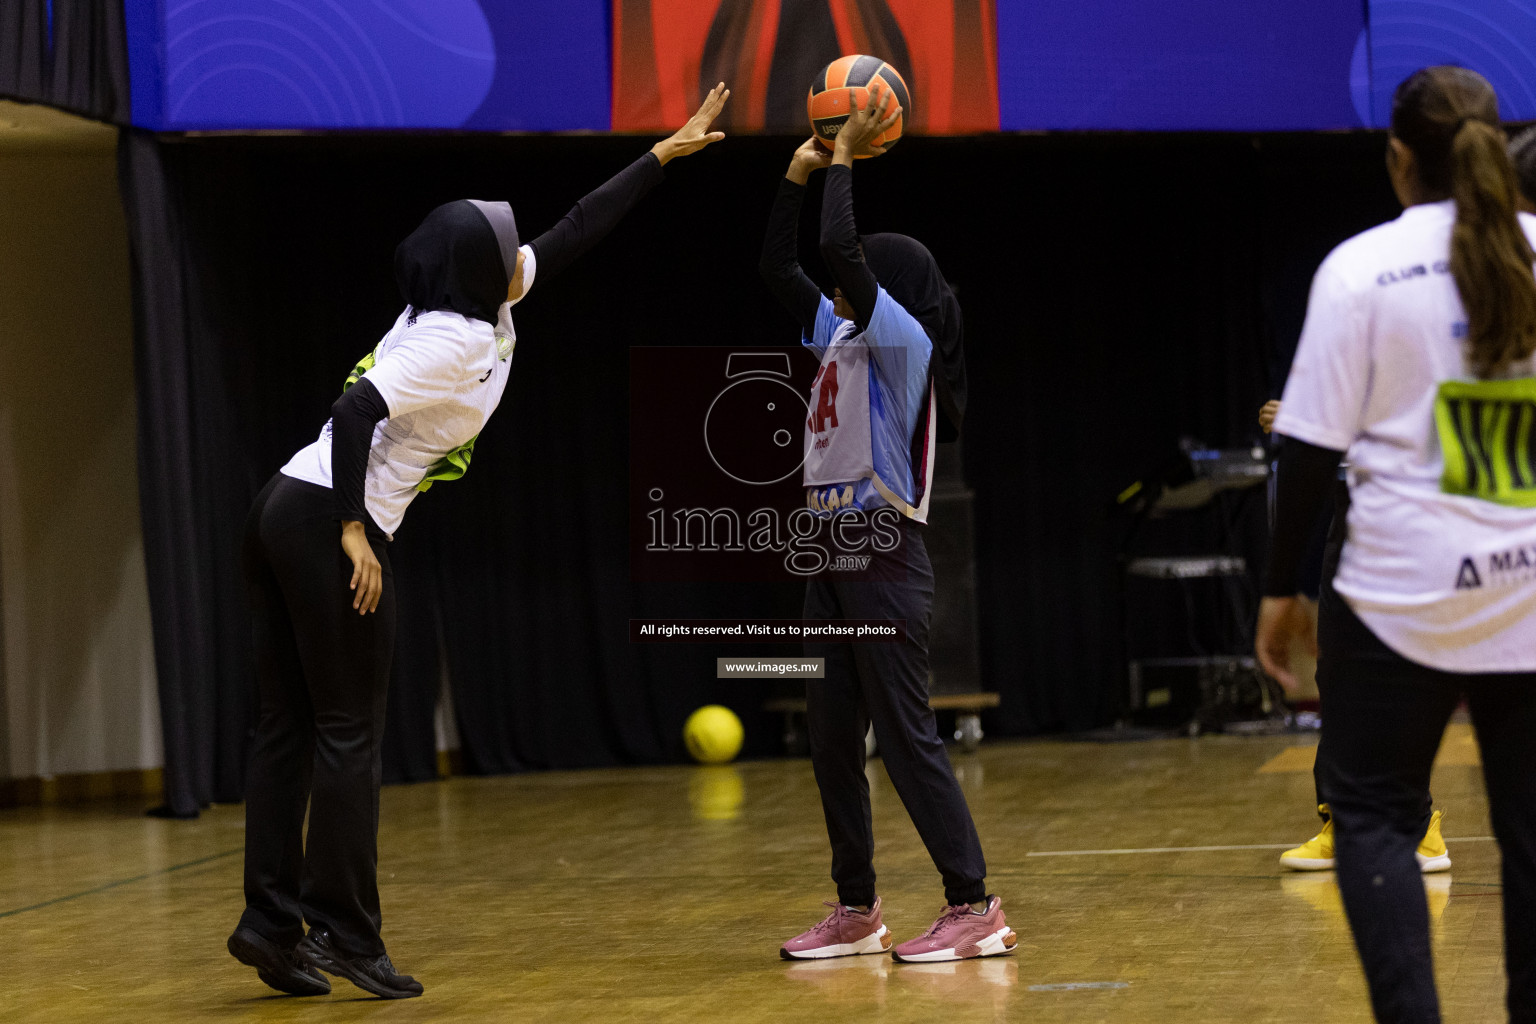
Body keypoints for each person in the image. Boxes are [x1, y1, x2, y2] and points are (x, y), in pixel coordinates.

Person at [225, 86, 731, 999]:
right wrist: (353, 530)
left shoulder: (478, 304)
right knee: (348, 735)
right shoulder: (451, 341)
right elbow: (351, 411)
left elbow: (575, 229)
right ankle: (345, 934)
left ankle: (271, 925)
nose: (518, 251)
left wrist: (664, 154)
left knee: (288, 729)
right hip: (321, 520)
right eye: (503, 246)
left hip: (279, 506)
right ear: (475, 271)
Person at [1256, 66, 1536, 1023]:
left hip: (1399, 597)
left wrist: (1281, 589)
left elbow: (1307, 445)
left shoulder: (1361, 268)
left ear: (1398, 158)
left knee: (1374, 816)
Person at [759, 89, 1013, 963]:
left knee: (906, 737)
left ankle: (976, 905)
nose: (836, 287)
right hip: (827, 552)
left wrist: (839, 159)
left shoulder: (905, 341)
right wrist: (795, 177)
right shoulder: (842, 336)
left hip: (881, 550)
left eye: (856, 278)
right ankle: (858, 908)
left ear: (889, 287)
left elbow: (837, 247)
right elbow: (778, 270)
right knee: (831, 736)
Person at [1258, 400, 1450, 875]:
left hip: (1418, 510)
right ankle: (1339, 821)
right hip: (1354, 508)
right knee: (1338, 675)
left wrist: (1312, 421)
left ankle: (1417, 823)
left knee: (1406, 678)